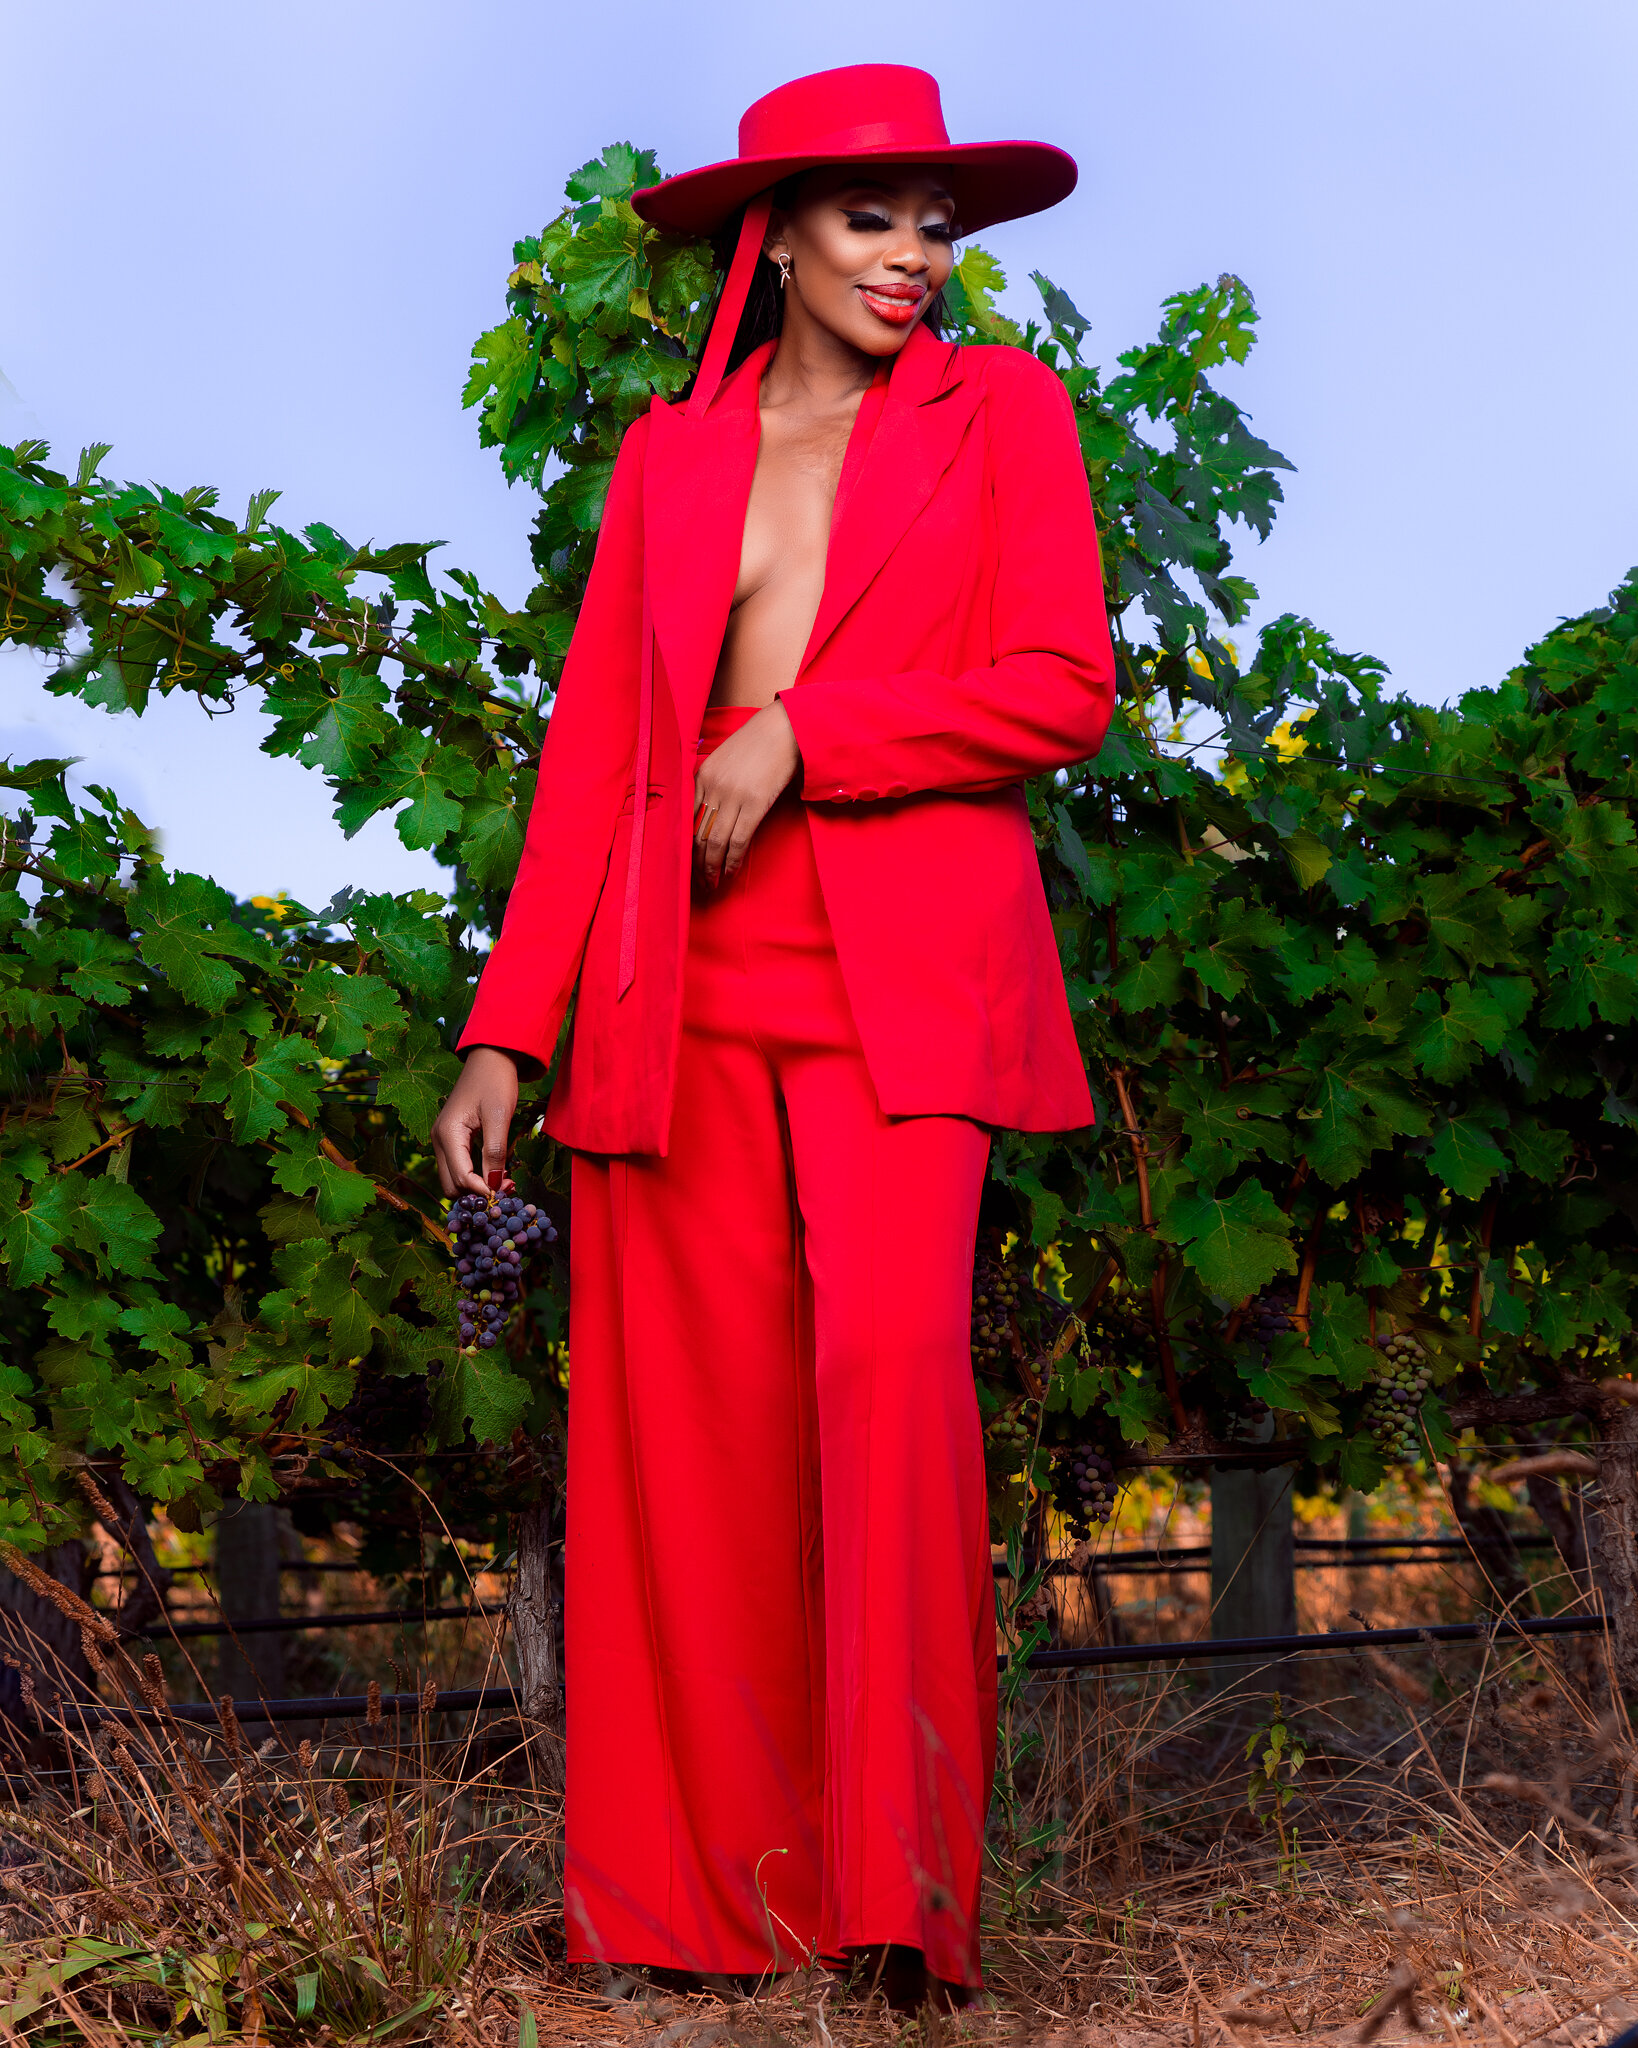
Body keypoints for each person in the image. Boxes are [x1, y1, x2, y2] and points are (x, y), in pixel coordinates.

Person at [430, 62, 1114, 2008]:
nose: (916, 257)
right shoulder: (669, 457)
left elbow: (1064, 685)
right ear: (782, 233)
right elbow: (593, 768)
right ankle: (699, 1915)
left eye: (937, 227)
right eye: (875, 218)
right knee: (691, 1461)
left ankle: (896, 1912)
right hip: (680, 1002)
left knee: (891, 1399)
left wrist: (808, 734)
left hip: (904, 999)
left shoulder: (1005, 417)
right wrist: (507, 1031)